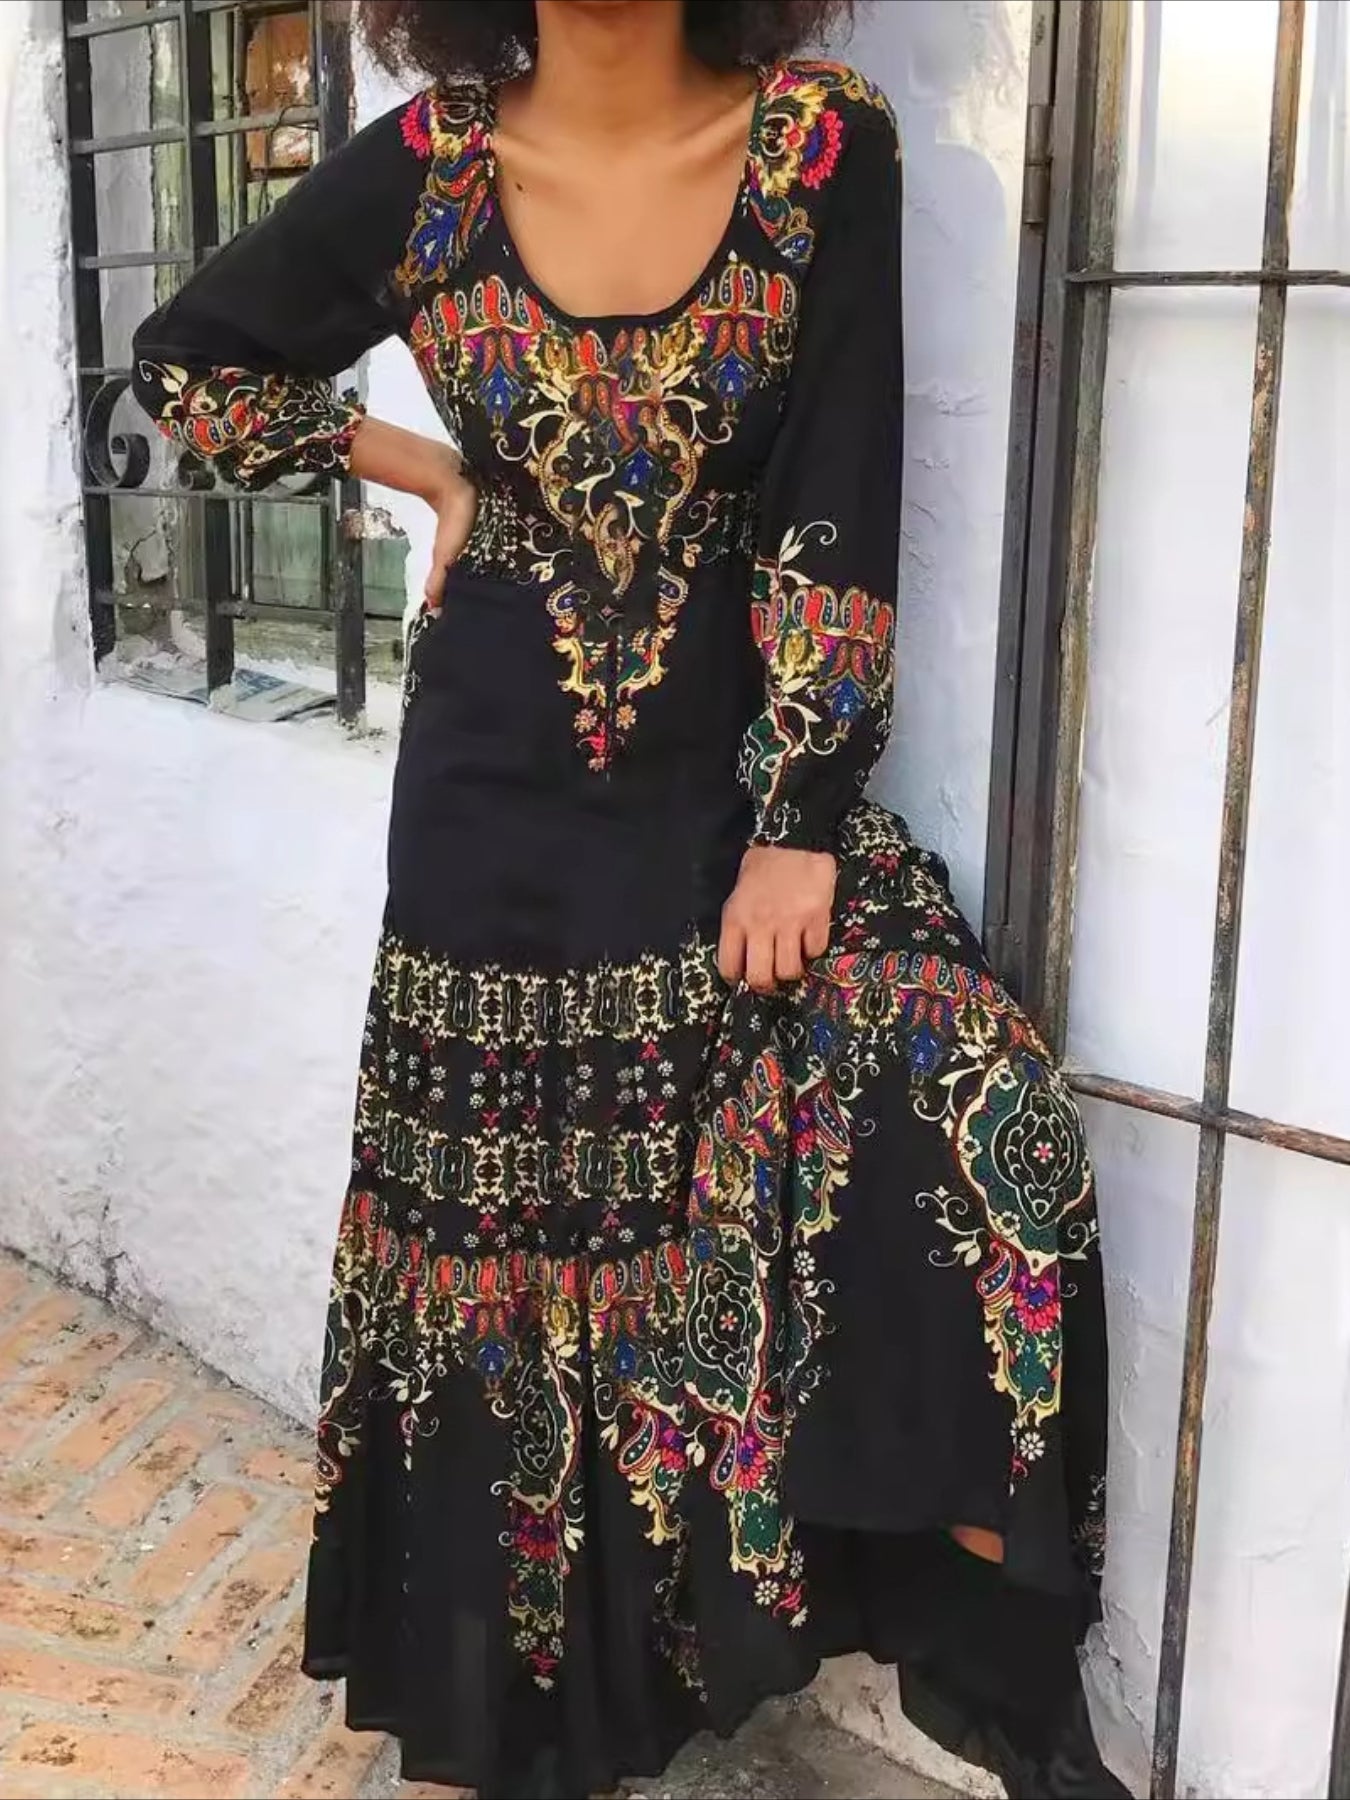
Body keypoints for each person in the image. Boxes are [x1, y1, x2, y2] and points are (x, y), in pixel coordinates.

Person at [131, 3, 1125, 1795]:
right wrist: (425, 469)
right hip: (487, 805)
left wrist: (800, 816)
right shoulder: (432, 168)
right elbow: (194, 364)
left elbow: (837, 490)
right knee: (494, 1247)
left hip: (716, 800)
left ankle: (830, 1662)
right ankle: (498, 1725)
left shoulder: (815, 147)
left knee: (976, 1115)